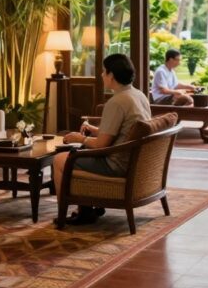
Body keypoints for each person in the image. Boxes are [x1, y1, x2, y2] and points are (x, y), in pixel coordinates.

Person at [53, 53, 150, 225]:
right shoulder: (138, 95)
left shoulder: (117, 102)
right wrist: (94, 130)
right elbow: (121, 132)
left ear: (111, 75)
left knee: (60, 160)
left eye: (104, 71)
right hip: (131, 159)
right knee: (79, 151)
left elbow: (101, 144)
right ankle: (86, 208)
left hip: (115, 164)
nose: (101, 75)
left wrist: (79, 138)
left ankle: (64, 213)